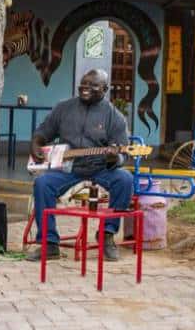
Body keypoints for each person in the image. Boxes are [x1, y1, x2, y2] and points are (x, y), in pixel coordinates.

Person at [27, 69, 133, 262]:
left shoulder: (114, 116)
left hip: (101, 168)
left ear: (105, 89)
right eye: (83, 83)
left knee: (125, 179)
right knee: (42, 184)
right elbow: (43, 132)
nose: (86, 88)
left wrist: (114, 158)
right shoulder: (63, 108)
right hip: (69, 169)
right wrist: (36, 144)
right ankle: (49, 244)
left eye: (93, 85)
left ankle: (107, 235)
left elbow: (123, 153)